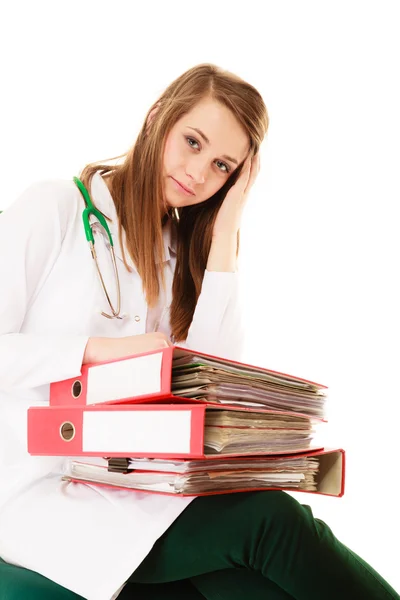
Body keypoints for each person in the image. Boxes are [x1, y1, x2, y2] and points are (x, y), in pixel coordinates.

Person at [0, 63, 398, 600]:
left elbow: (208, 384)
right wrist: (98, 352)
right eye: (192, 141)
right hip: (36, 495)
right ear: (158, 116)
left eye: (221, 166)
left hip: (132, 487)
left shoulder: (173, 258)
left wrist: (228, 226)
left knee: (253, 583)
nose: (197, 173)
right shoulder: (55, 208)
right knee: (271, 522)